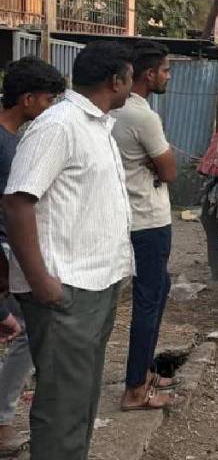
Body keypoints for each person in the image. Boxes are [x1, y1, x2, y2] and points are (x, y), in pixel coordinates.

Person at [3, 41, 134, 460]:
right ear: (116, 81)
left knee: (81, 400)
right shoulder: (59, 125)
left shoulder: (97, 126)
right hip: (67, 290)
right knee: (62, 408)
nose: (131, 88)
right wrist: (43, 283)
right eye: (130, 79)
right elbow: (18, 201)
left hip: (98, 283)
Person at [0, 56, 65, 455]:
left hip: (10, 253)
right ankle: (3, 421)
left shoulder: (18, 139)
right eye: (47, 100)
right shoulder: (4, 143)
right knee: (23, 333)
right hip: (4, 256)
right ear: (27, 99)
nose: (50, 109)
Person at [111, 41, 178, 411]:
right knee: (149, 300)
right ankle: (135, 389)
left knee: (157, 289)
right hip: (149, 221)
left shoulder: (113, 111)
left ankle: (144, 370)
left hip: (127, 216)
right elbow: (169, 170)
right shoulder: (142, 117)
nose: (168, 76)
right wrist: (157, 164)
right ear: (149, 74)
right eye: (166, 70)